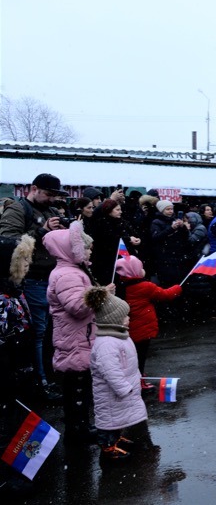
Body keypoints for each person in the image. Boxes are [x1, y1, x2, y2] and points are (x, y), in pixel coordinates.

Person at [0, 173, 69, 403]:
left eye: (54, 195)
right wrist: (41, 232)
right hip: (32, 279)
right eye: (48, 194)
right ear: (34, 188)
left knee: (50, 331)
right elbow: (8, 242)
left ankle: (47, 376)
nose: (51, 199)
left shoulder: (49, 210)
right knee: (38, 333)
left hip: (51, 278)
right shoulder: (19, 210)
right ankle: (40, 383)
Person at [43, 220, 106, 445]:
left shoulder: (70, 271)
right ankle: (77, 430)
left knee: (79, 385)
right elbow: (78, 308)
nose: (89, 252)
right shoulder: (68, 275)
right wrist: (101, 294)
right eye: (86, 248)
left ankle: (79, 425)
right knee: (77, 386)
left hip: (79, 337)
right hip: (75, 339)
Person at [84, 286, 147, 461]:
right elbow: (110, 371)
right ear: (114, 319)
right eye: (125, 316)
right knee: (108, 420)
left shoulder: (119, 336)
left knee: (117, 418)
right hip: (112, 392)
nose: (128, 318)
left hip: (121, 391)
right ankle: (107, 448)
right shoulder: (107, 344)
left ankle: (116, 438)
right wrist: (123, 388)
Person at [0, 235, 37, 498]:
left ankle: (14, 468)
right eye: (21, 260)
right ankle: (3, 480)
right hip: (5, 373)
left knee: (14, 423)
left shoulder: (15, 290)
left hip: (18, 370)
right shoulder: (1, 298)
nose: (27, 265)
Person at [114, 255, 181, 388]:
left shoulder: (120, 286)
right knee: (140, 358)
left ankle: (134, 380)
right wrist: (178, 288)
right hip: (143, 329)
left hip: (127, 327)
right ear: (135, 271)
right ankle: (139, 382)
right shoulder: (145, 286)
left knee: (131, 357)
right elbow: (165, 295)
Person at [87, 199, 141, 286]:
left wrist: (136, 240)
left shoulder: (122, 221)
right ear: (109, 210)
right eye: (117, 210)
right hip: (108, 260)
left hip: (125, 257)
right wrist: (128, 239)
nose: (121, 212)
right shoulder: (101, 223)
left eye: (120, 209)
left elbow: (133, 233)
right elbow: (109, 239)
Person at [149, 200, 191, 288]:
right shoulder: (156, 222)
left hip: (178, 256)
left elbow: (185, 237)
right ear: (162, 210)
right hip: (165, 257)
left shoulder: (175, 220)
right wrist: (171, 228)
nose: (170, 211)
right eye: (168, 209)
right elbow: (157, 237)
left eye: (171, 209)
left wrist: (183, 227)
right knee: (168, 282)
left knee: (180, 281)